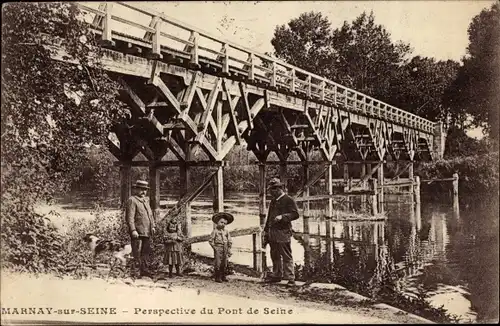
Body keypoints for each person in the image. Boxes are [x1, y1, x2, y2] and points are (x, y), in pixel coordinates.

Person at [263, 178, 299, 285]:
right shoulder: (273, 201)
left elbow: (295, 214)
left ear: (278, 189)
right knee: (274, 254)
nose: (270, 192)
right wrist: (266, 231)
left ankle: (290, 278)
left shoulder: (288, 200)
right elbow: (269, 217)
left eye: (272, 190)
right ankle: (277, 275)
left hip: (283, 232)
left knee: (286, 255)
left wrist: (283, 217)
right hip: (272, 233)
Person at [125, 180, 156, 277]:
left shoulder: (146, 200)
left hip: (147, 231)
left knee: (146, 251)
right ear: (136, 189)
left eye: (145, 190)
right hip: (137, 232)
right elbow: (130, 217)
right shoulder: (132, 200)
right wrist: (133, 230)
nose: (143, 192)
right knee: (136, 252)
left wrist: (153, 226)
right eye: (141, 189)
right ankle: (136, 271)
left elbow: (150, 215)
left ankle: (144, 270)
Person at [209, 212, 234, 283]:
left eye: (224, 223)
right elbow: (210, 241)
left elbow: (229, 240)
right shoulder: (215, 231)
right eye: (221, 222)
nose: (223, 224)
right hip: (218, 247)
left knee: (224, 262)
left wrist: (229, 248)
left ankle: (223, 276)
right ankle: (217, 277)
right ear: (217, 222)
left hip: (225, 247)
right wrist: (214, 247)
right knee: (218, 262)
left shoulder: (226, 231)